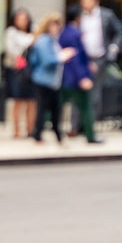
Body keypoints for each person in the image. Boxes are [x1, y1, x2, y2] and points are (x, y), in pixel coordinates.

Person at [75, 0, 122, 137]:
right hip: (81, 59)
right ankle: (76, 126)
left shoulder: (106, 15)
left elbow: (119, 31)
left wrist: (113, 49)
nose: (84, 2)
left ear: (96, 1)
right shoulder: (79, 17)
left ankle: (90, 126)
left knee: (94, 94)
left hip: (99, 58)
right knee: (78, 92)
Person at [27, 13, 74, 145]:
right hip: (43, 80)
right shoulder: (43, 40)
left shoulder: (53, 40)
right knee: (43, 108)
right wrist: (62, 56)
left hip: (53, 81)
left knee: (55, 109)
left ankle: (57, 134)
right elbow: (47, 60)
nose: (56, 28)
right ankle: (38, 134)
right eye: (53, 25)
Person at [60, 5, 101, 145]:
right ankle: (90, 136)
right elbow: (76, 59)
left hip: (65, 78)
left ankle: (42, 132)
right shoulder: (74, 34)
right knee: (86, 107)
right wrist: (83, 77)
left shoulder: (64, 32)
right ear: (78, 17)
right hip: (75, 79)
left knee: (57, 106)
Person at [3, 9, 36, 139]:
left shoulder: (33, 31)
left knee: (31, 100)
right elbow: (11, 50)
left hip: (31, 69)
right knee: (18, 100)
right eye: (19, 18)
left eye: (25, 19)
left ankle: (30, 128)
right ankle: (16, 129)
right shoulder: (11, 32)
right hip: (16, 69)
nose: (22, 21)